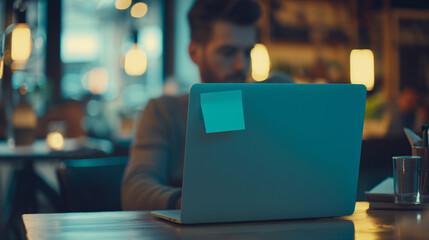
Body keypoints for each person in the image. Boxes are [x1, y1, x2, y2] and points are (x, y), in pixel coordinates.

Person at [122, 0, 277, 210]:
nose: (242, 65)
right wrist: (193, 203)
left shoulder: (267, 102)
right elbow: (135, 191)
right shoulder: (163, 111)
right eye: (228, 53)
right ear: (194, 53)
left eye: (248, 52)